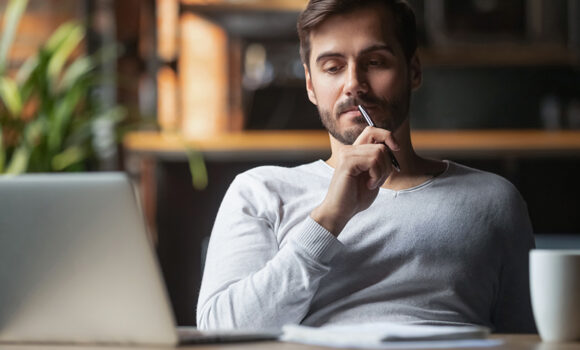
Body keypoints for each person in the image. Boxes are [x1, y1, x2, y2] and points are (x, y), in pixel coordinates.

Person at [197, 0, 536, 333]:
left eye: (375, 62)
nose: (354, 84)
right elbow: (221, 332)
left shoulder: (494, 200)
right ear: (311, 85)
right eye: (332, 67)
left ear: (413, 71)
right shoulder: (260, 192)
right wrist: (329, 217)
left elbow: (531, 339)